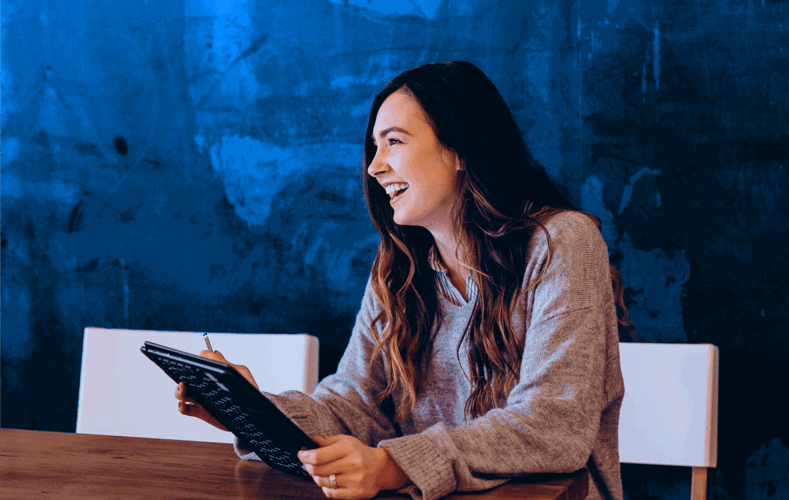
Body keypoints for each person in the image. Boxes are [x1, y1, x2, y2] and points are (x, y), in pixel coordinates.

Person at [175, 61, 633, 500]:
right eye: (375, 147)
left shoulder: (563, 243)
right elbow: (353, 406)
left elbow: (553, 426)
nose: (375, 167)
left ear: (459, 150)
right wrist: (252, 413)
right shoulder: (399, 267)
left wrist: (395, 467)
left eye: (394, 142)